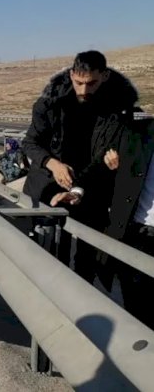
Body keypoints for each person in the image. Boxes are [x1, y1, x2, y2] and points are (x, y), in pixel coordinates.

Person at [22, 50, 137, 284]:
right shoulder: (49, 104)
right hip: (48, 187)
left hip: (92, 187)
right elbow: (30, 143)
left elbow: (126, 146)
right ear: (72, 74)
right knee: (47, 252)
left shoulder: (118, 109)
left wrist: (117, 157)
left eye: (91, 83)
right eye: (79, 83)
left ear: (104, 76)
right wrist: (53, 164)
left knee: (88, 256)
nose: (84, 90)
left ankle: (83, 296)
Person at [52, 116, 154, 328]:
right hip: (138, 238)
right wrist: (77, 192)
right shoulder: (137, 132)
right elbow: (97, 166)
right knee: (140, 316)